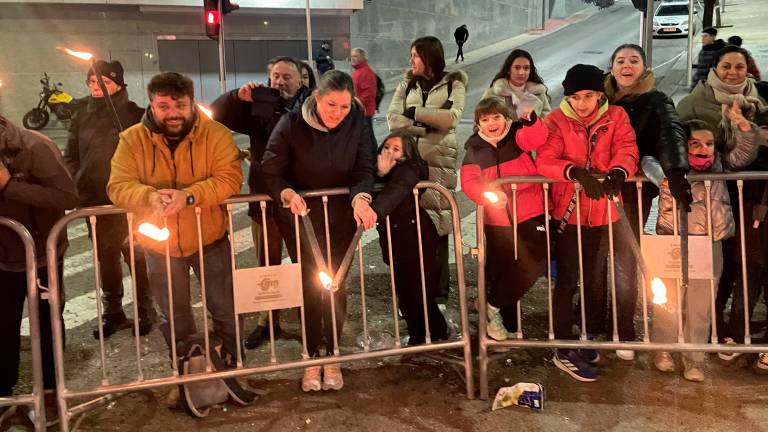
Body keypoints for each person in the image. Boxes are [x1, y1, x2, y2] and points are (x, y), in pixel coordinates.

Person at [107, 72, 243, 359]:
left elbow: (230, 179)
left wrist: (189, 196)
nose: (173, 114)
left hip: (210, 240)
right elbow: (118, 185)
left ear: (192, 103)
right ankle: (185, 372)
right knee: (173, 315)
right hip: (160, 247)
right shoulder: (131, 139)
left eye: (180, 105)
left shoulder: (216, 133)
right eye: (164, 106)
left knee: (225, 308)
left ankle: (234, 366)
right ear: (152, 105)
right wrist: (149, 196)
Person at [261, 70, 376, 392]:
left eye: (343, 106)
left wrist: (361, 198)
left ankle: (333, 354)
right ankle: (311, 355)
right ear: (316, 98)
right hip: (303, 218)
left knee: (335, 286)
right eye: (331, 105)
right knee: (310, 287)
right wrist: (287, 194)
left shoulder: (358, 122)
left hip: (342, 219)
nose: (337, 113)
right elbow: (270, 171)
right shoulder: (292, 124)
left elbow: (364, 168)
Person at [537, 64, 638, 382]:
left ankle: (590, 334)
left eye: (589, 96)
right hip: (567, 210)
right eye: (576, 97)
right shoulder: (555, 119)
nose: (582, 103)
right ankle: (563, 345)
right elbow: (545, 158)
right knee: (567, 278)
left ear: (599, 95)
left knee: (595, 275)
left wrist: (620, 170)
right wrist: (574, 172)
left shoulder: (616, 116)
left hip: (603, 211)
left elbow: (627, 148)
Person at [644, 118, 757, 381]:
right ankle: (663, 349)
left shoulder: (719, 165)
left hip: (707, 242)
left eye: (708, 143)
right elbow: (647, 161)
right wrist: (667, 178)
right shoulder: (670, 167)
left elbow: (743, 154)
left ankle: (694, 356)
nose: (703, 149)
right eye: (695, 143)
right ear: (683, 145)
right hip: (670, 240)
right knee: (667, 301)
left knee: (701, 303)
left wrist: (743, 128)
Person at [212, 56, 311, 350]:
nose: (279, 82)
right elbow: (216, 115)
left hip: (300, 199)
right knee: (267, 264)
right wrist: (235, 97)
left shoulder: (310, 107)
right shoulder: (258, 105)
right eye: (275, 77)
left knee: (304, 263)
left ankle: (308, 317)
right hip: (265, 199)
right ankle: (268, 322)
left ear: (300, 80)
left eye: (286, 77)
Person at [604, 44, 691, 360]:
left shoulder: (655, 99)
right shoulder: (598, 97)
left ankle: (623, 329)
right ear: (612, 66)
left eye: (633, 61)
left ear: (643, 67)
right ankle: (593, 321)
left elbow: (671, 132)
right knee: (594, 258)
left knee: (625, 261)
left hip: (632, 192)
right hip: (594, 191)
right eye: (620, 60)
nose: (626, 66)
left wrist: (676, 170)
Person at [63, 59, 156, 339]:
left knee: (137, 257)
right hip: (94, 200)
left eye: (103, 81)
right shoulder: (81, 116)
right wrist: (78, 179)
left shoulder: (135, 114)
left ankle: (144, 310)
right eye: (91, 81)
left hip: (130, 203)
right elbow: (70, 155)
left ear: (118, 84)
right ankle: (113, 312)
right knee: (106, 259)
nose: (95, 86)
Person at [0, 115, 78, 423]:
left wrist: (9, 186)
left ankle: (49, 394)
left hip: (41, 256)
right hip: (3, 258)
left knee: (46, 324)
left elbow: (68, 196)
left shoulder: (35, 147)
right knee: (2, 325)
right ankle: (5, 396)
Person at [460, 97, 549, 341]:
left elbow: (537, 138)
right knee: (502, 270)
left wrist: (529, 117)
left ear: (506, 118)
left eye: (496, 117)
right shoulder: (474, 148)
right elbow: (469, 182)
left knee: (534, 263)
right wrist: (486, 195)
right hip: (497, 220)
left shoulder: (517, 135)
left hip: (530, 213)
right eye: (485, 119)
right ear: (478, 124)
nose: (492, 123)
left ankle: (491, 305)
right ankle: (504, 323)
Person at [387, 36, 467, 303]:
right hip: (408, 164)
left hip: (439, 164)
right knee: (408, 230)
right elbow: (393, 120)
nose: (411, 60)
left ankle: (438, 297)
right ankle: (411, 297)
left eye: (416, 55)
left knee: (437, 229)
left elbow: (451, 118)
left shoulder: (455, 82)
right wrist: (428, 126)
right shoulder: (406, 83)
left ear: (430, 56)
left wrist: (414, 111)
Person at [372, 131, 448, 345]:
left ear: (407, 154)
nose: (389, 152)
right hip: (394, 239)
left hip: (416, 237)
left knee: (418, 292)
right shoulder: (380, 169)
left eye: (396, 149)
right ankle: (421, 336)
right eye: (386, 147)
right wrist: (380, 174)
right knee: (406, 294)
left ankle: (432, 335)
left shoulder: (410, 169)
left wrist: (373, 211)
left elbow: (397, 190)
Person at [482, 49, 552, 119]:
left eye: (526, 68)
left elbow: (548, 119)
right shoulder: (493, 93)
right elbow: (479, 120)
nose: (521, 72)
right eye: (517, 68)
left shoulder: (538, 92)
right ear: (509, 70)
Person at [351, 47, 379, 157]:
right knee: (366, 134)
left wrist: (355, 103)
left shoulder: (366, 72)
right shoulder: (358, 71)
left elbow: (368, 94)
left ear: (362, 57)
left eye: (355, 56)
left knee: (368, 135)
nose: (353, 59)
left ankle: (373, 156)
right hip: (360, 109)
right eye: (352, 56)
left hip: (364, 110)